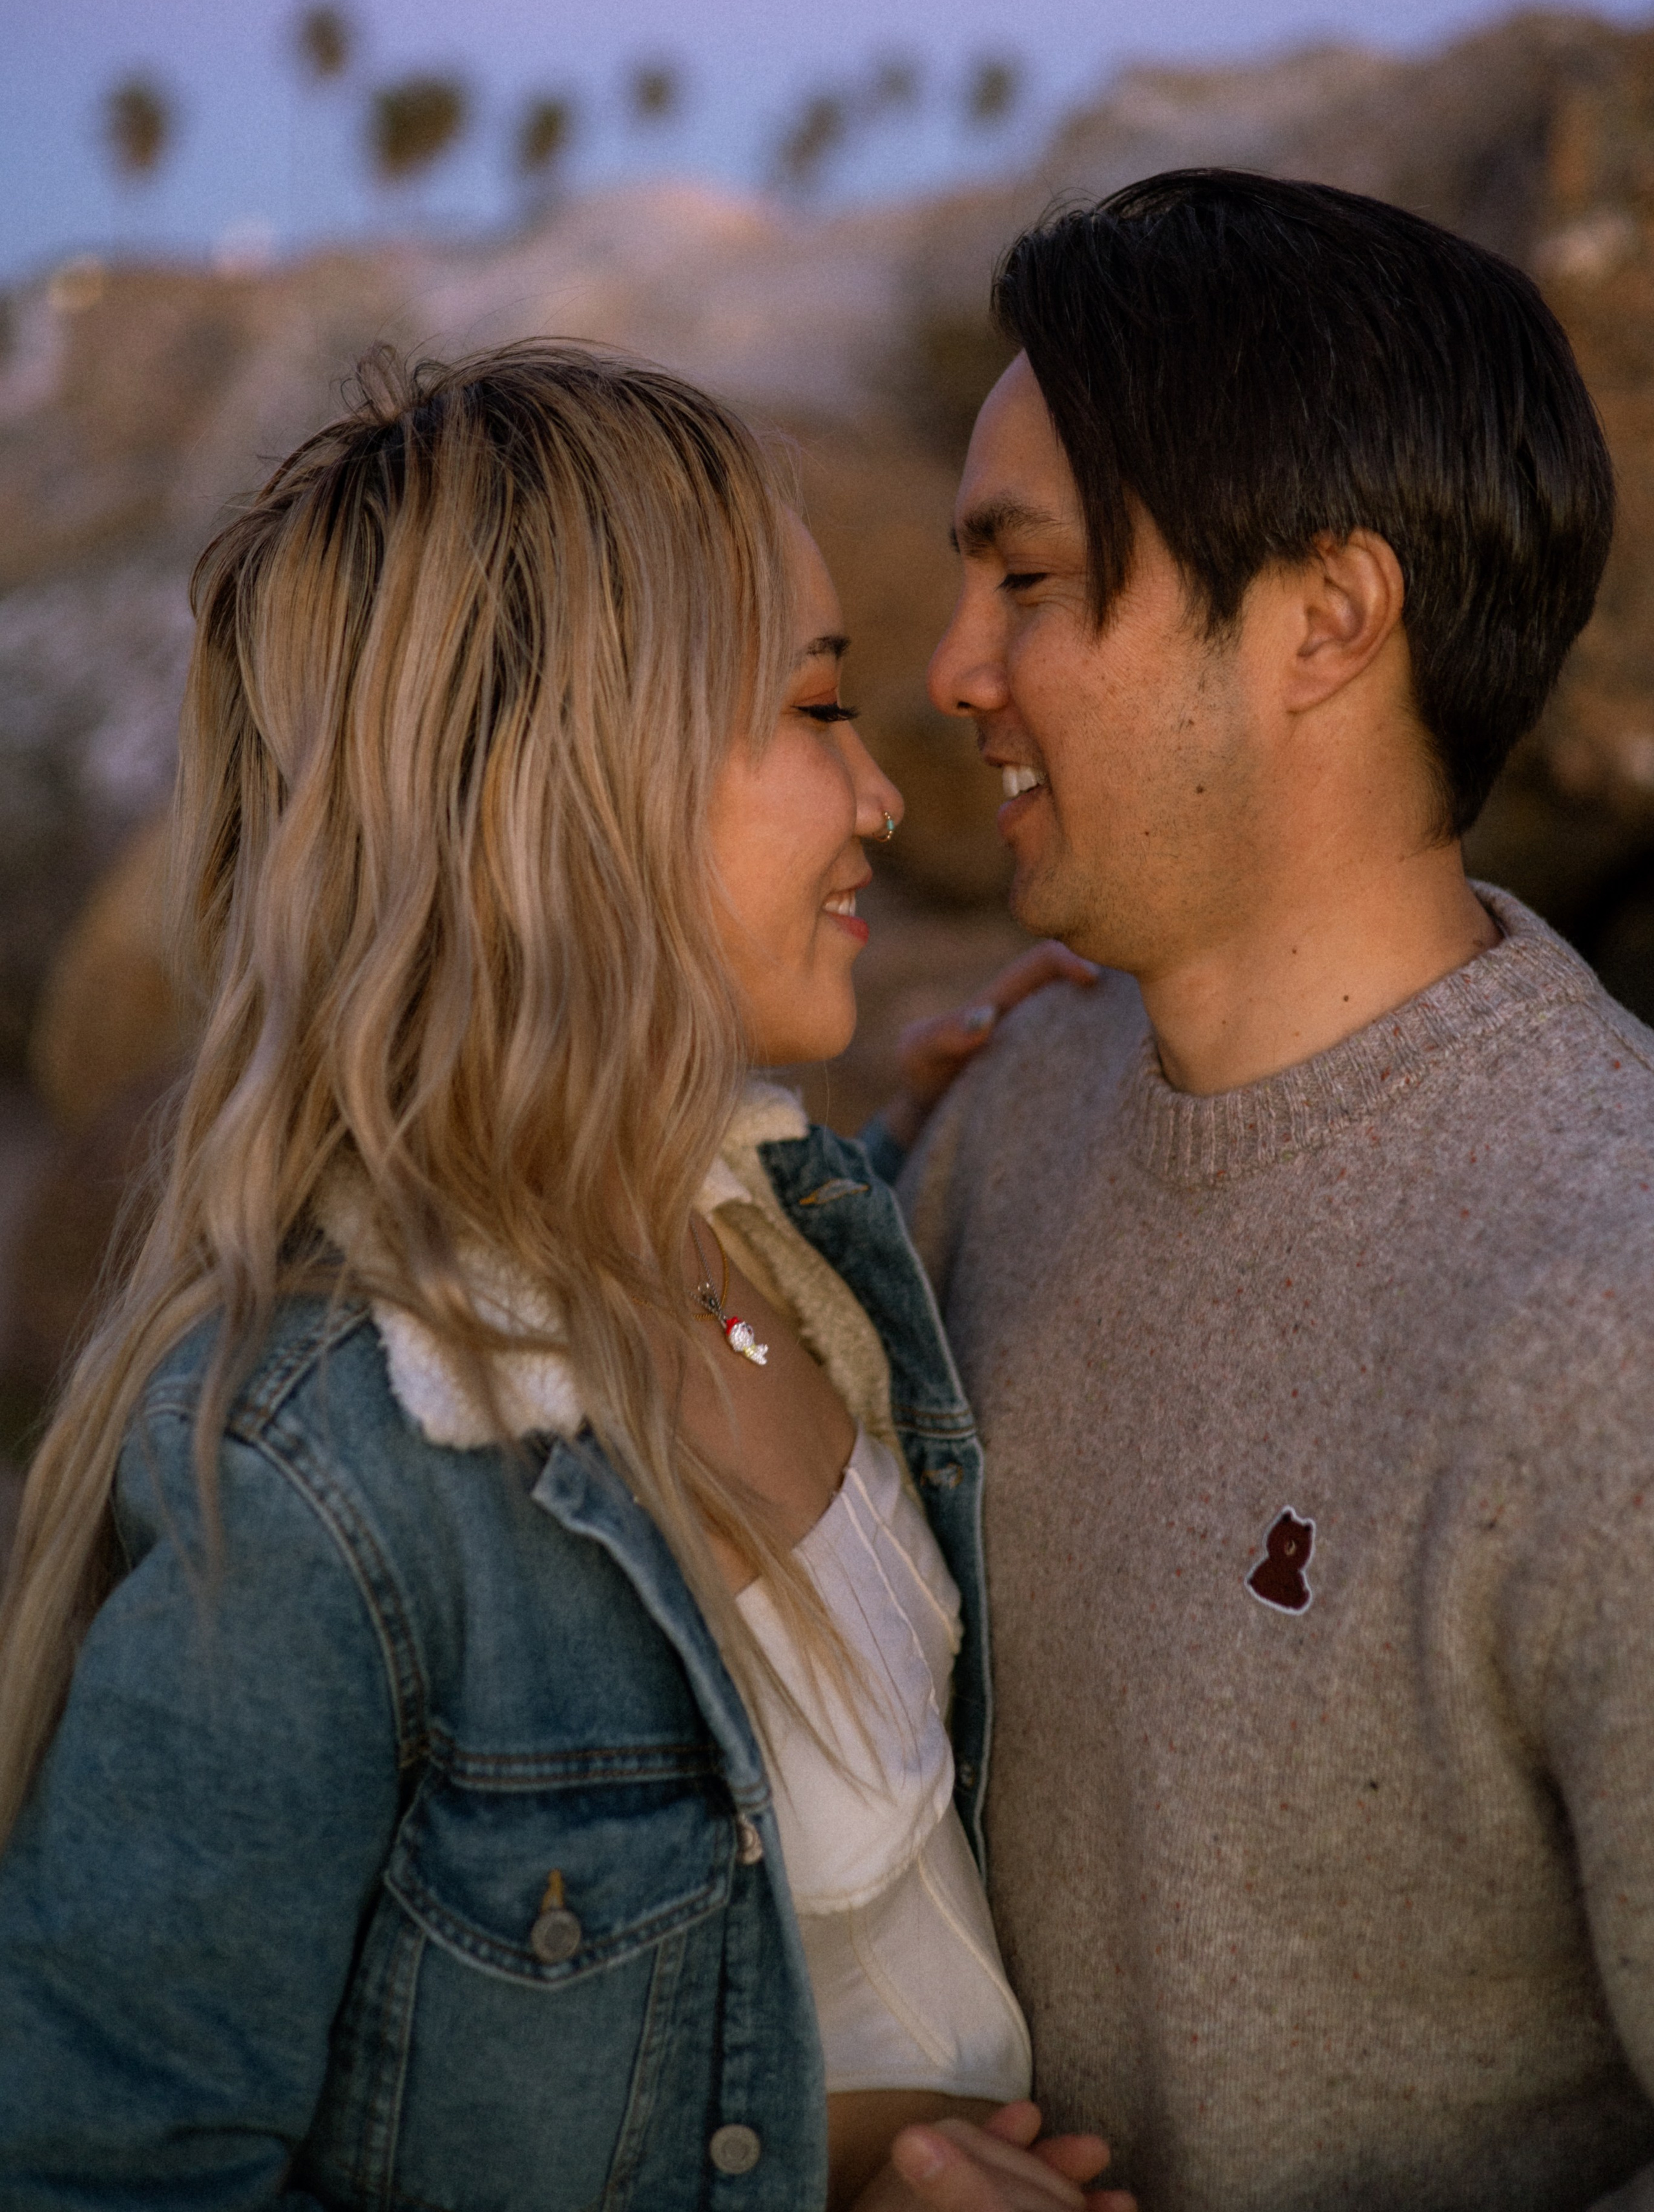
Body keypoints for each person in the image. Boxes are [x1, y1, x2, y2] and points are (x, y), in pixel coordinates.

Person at [0, 346, 1111, 2212]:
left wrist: (996, 1109)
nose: (882, 799)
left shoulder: (810, 1246)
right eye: (818, 711)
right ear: (575, 785)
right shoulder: (317, 1485)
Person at [885, 171, 1654, 2207]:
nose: (955, 666)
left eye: (1029, 582)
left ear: (1328, 618)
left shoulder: (1611, 1314)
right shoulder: (1000, 1120)